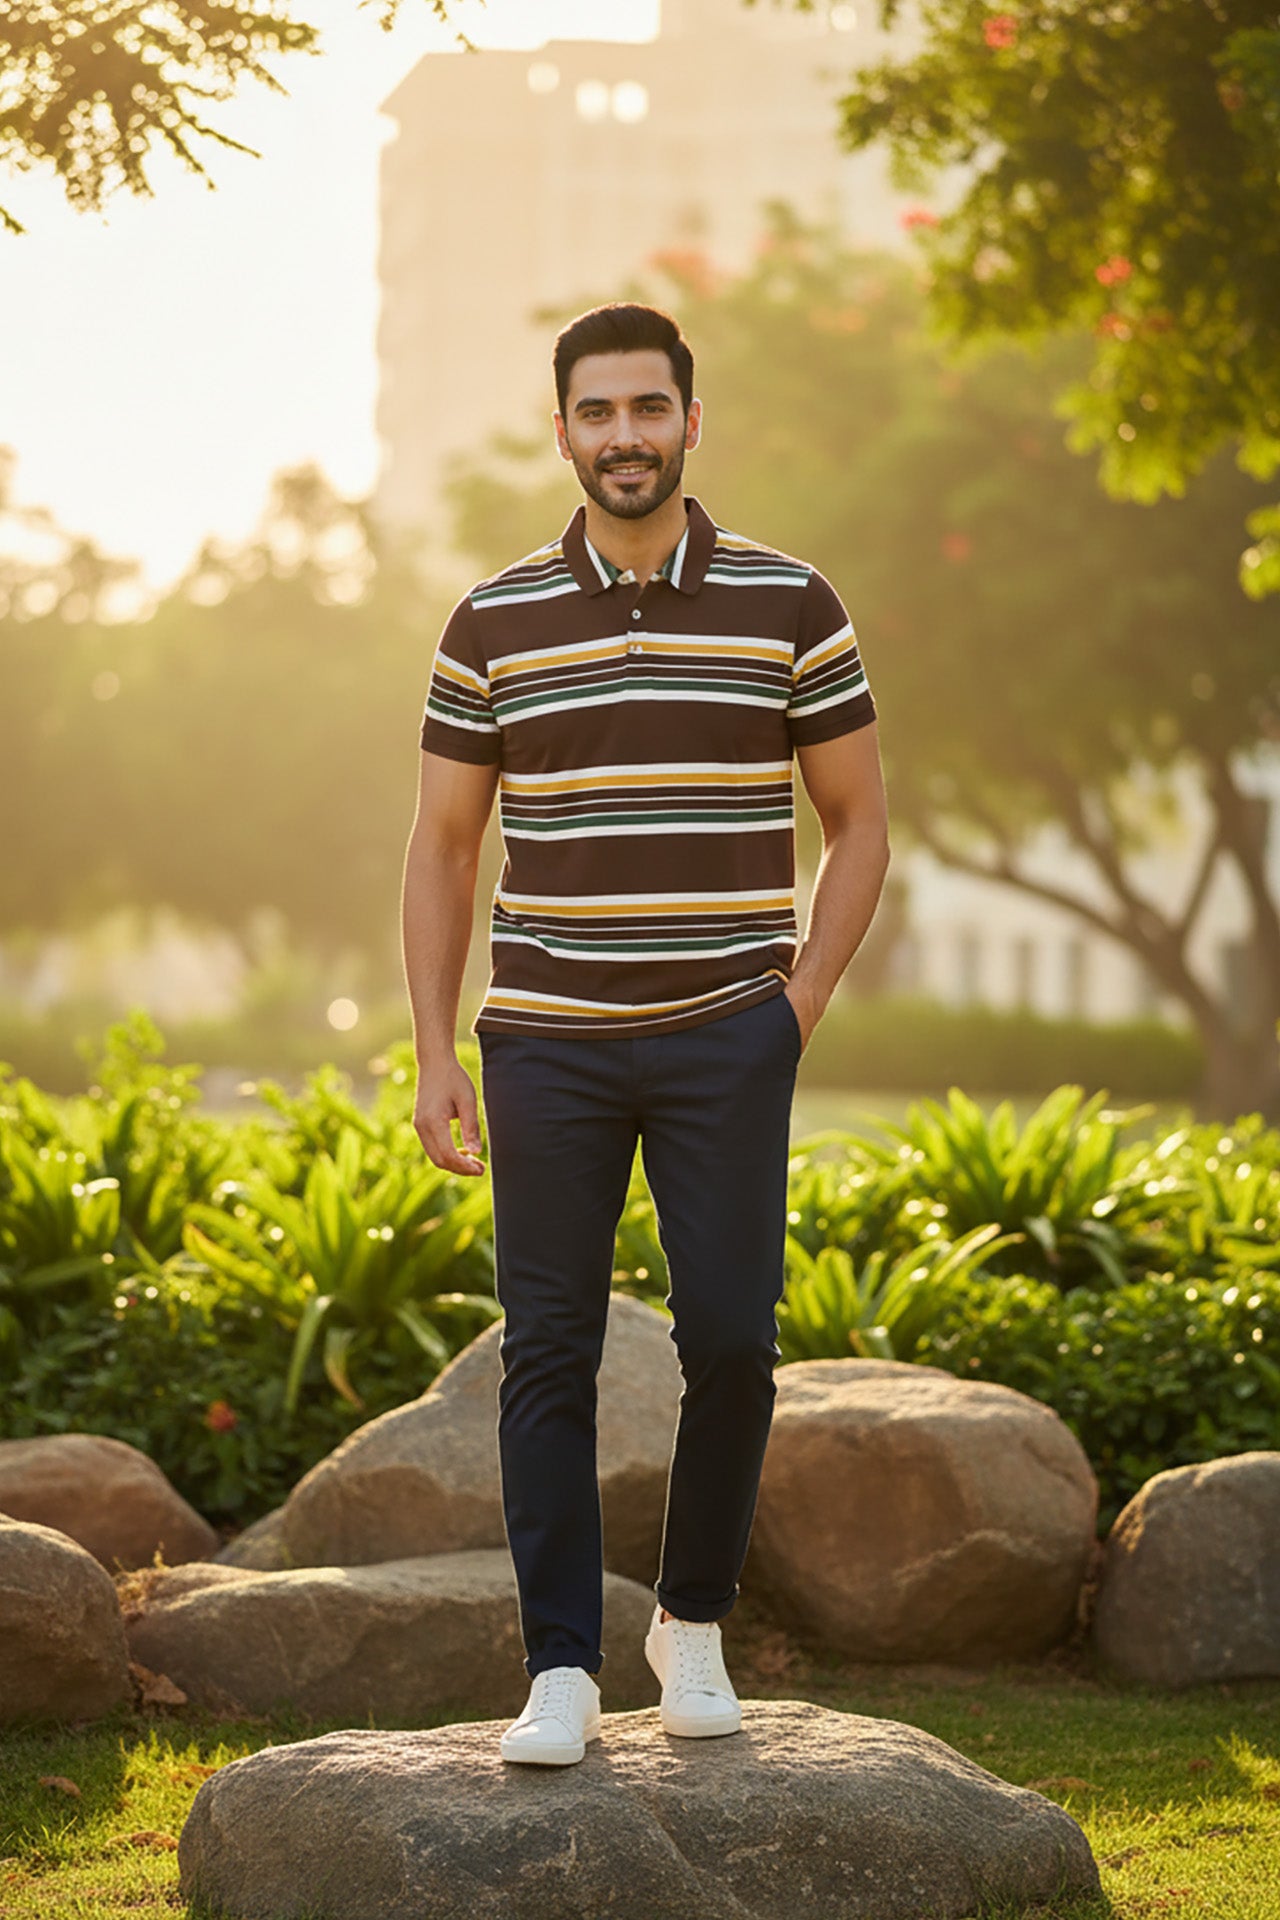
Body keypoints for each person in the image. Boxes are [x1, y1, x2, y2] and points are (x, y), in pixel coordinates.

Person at [402, 302, 889, 1767]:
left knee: (734, 1341)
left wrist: (790, 1010)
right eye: (597, 412)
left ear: (691, 421)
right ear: (562, 431)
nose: (625, 435)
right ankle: (559, 1664)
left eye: (649, 408)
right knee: (545, 1350)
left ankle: (690, 1622)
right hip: (542, 1040)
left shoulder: (789, 602)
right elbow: (441, 848)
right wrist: (436, 1050)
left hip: (723, 1038)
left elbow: (859, 826)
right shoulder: (490, 620)